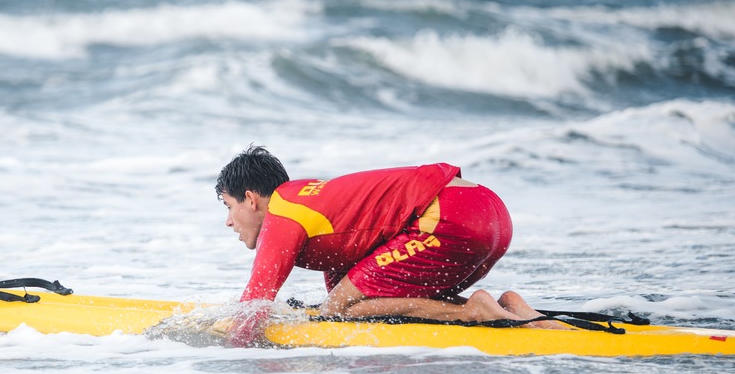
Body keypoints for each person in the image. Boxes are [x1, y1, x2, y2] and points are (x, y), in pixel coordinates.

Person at [215, 145, 555, 346]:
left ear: (251, 199)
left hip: (449, 215)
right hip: (488, 212)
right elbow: (358, 277)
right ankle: (512, 309)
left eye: (228, 207)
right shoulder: (312, 202)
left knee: (340, 308)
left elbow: (254, 305)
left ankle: (474, 312)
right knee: (352, 305)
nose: (229, 222)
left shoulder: (281, 211)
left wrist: (218, 348)